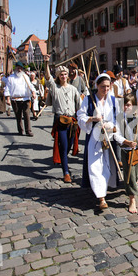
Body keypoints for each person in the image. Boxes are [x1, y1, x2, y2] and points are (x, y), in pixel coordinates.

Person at [77, 73, 119, 211]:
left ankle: (104, 188)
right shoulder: (89, 100)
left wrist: (113, 128)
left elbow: (118, 118)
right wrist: (92, 119)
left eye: (108, 86)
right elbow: (80, 116)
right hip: (94, 138)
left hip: (109, 137)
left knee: (107, 165)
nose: (105, 89)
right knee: (95, 165)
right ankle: (101, 197)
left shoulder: (113, 100)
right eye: (102, 86)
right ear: (97, 86)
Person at [44, 55, 81, 183]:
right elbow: (48, 78)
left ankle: (63, 162)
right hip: (60, 121)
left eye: (65, 74)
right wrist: (46, 62)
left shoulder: (73, 89)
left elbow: (80, 106)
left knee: (69, 146)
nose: (64, 76)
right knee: (64, 146)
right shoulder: (55, 88)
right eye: (61, 74)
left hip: (72, 121)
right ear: (58, 76)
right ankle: (66, 172)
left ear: (68, 75)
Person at [115, 93, 138, 213]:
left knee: (136, 173)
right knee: (129, 175)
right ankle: (132, 199)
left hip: (137, 149)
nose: (127, 107)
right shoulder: (119, 117)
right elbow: (116, 134)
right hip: (126, 150)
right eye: (125, 105)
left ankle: (133, 184)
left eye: (129, 105)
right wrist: (126, 142)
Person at [4, 61, 36, 136]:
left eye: (21, 68)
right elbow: (7, 89)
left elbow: (30, 86)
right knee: (18, 116)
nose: (19, 70)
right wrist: (8, 99)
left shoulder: (25, 77)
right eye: (18, 68)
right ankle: (20, 130)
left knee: (26, 114)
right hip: (15, 99)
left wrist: (33, 92)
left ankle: (28, 131)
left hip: (25, 99)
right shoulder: (11, 78)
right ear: (16, 68)